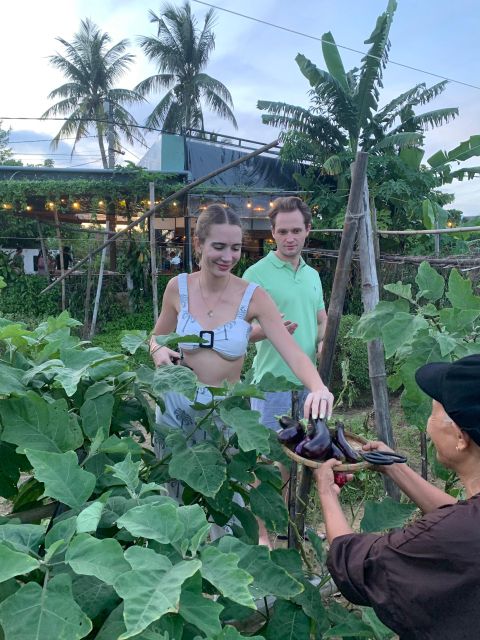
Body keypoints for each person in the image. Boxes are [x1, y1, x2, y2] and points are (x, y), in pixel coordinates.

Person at [150, 204, 334, 544]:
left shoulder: (253, 297)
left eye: (235, 248)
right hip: (177, 410)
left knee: (228, 502)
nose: (228, 256)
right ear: (199, 244)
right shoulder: (178, 288)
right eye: (219, 246)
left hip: (227, 412)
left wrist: (319, 387)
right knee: (172, 502)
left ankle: (230, 584)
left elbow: (292, 351)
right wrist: (159, 350)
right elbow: (157, 336)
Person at [314, 354, 480, 640]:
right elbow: (464, 518)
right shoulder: (466, 528)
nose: (429, 424)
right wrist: (396, 468)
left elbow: (357, 566)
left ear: (461, 437)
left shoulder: (448, 536)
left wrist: (327, 494)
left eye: (434, 413)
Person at [242, 196, 327, 493]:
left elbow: (321, 319)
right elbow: (236, 334)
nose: (289, 238)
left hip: (308, 384)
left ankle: (288, 525)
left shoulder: (312, 275)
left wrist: (321, 343)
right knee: (268, 459)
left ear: (307, 230)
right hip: (270, 382)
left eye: (295, 231)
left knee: (302, 454)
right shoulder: (254, 275)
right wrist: (266, 330)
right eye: (282, 232)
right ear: (272, 233)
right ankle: (263, 531)